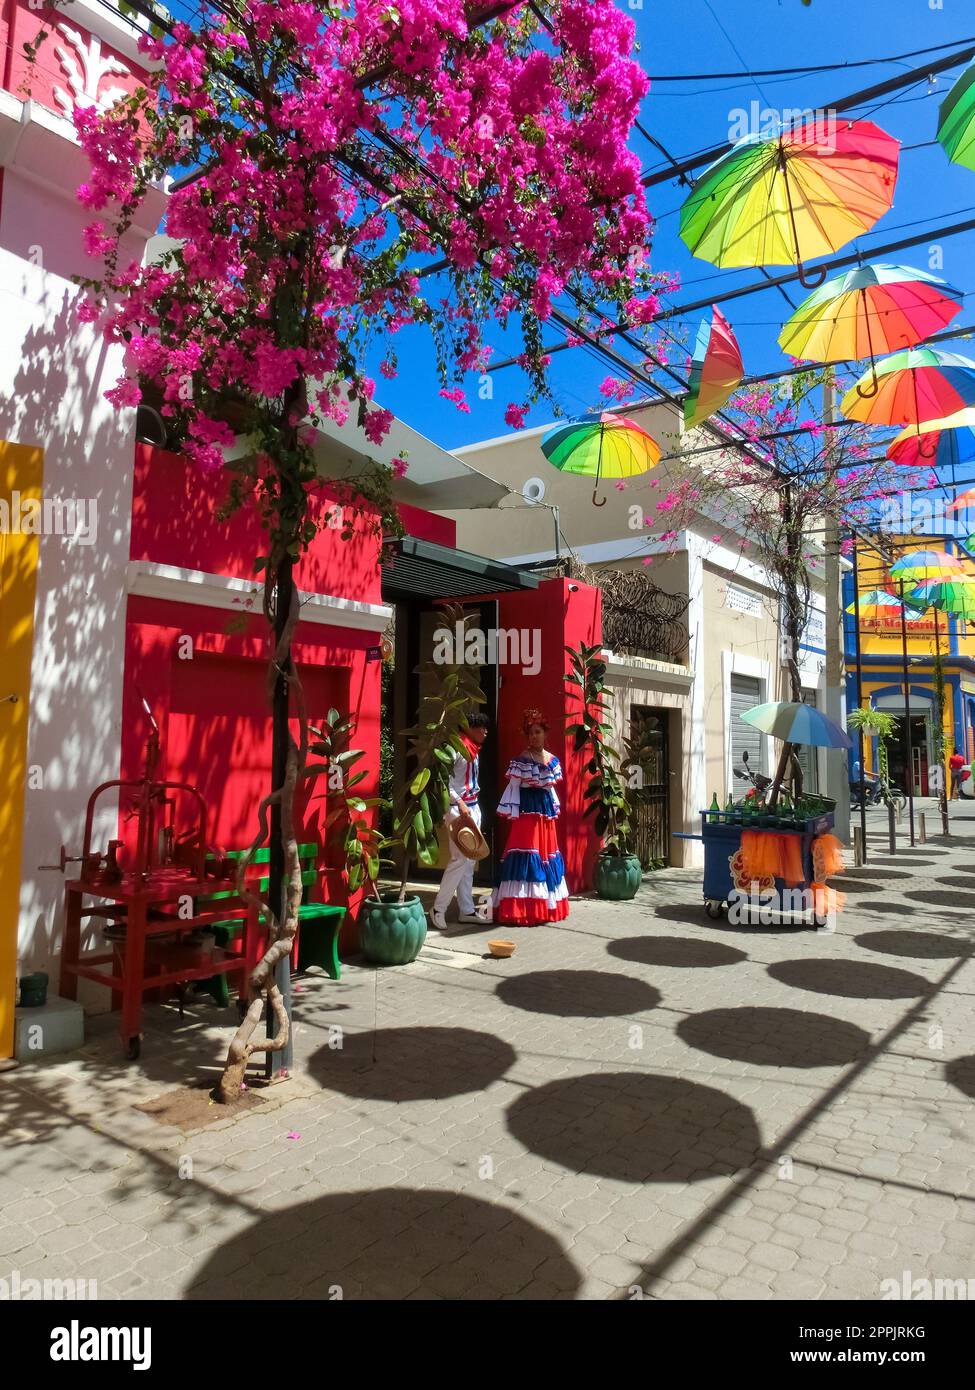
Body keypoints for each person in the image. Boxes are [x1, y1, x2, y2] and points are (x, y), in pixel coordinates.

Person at [492, 709, 569, 926]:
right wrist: (511, 810)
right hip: (527, 813)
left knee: (545, 854)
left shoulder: (552, 760)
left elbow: (550, 790)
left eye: (537, 732)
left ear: (545, 734)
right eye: (530, 733)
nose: (534, 736)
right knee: (526, 851)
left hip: (545, 814)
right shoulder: (522, 760)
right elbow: (513, 788)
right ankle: (522, 909)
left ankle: (545, 907)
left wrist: (554, 806)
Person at [430, 713, 490, 931]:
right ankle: (439, 908)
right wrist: (459, 803)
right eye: (480, 727)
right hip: (458, 810)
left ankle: (466, 910)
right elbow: (442, 782)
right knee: (459, 860)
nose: (485, 732)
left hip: (473, 807)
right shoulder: (454, 749)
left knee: (469, 861)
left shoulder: (473, 749)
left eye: (485, 728)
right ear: (469, 728)